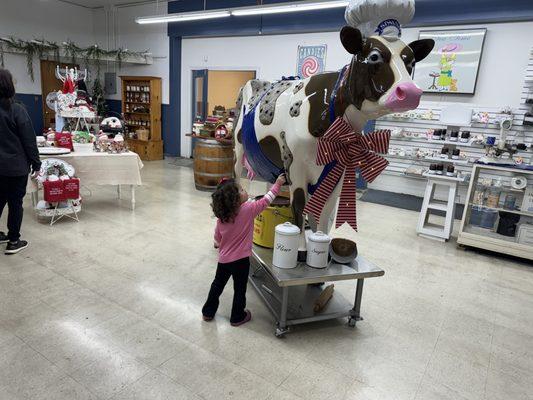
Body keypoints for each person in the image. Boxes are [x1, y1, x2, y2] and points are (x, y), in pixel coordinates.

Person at [202, 173, 286, 326]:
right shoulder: (248, 209)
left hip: (224, 261)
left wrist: (218, 244)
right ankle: (237, 317)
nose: (244, 190)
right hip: (241, 261)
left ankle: (208, 312)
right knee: (239, 289)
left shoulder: (223, 217)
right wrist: (278, 183)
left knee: (217, 285)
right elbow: (267, 199)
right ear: (234, 200)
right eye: (241, 190)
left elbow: (217, 240)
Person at [0, 68, 41, 255]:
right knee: (15, 203)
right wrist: (36, 163)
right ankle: (14, 240)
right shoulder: (17, 109)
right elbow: (29, 140)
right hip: (15, 167)